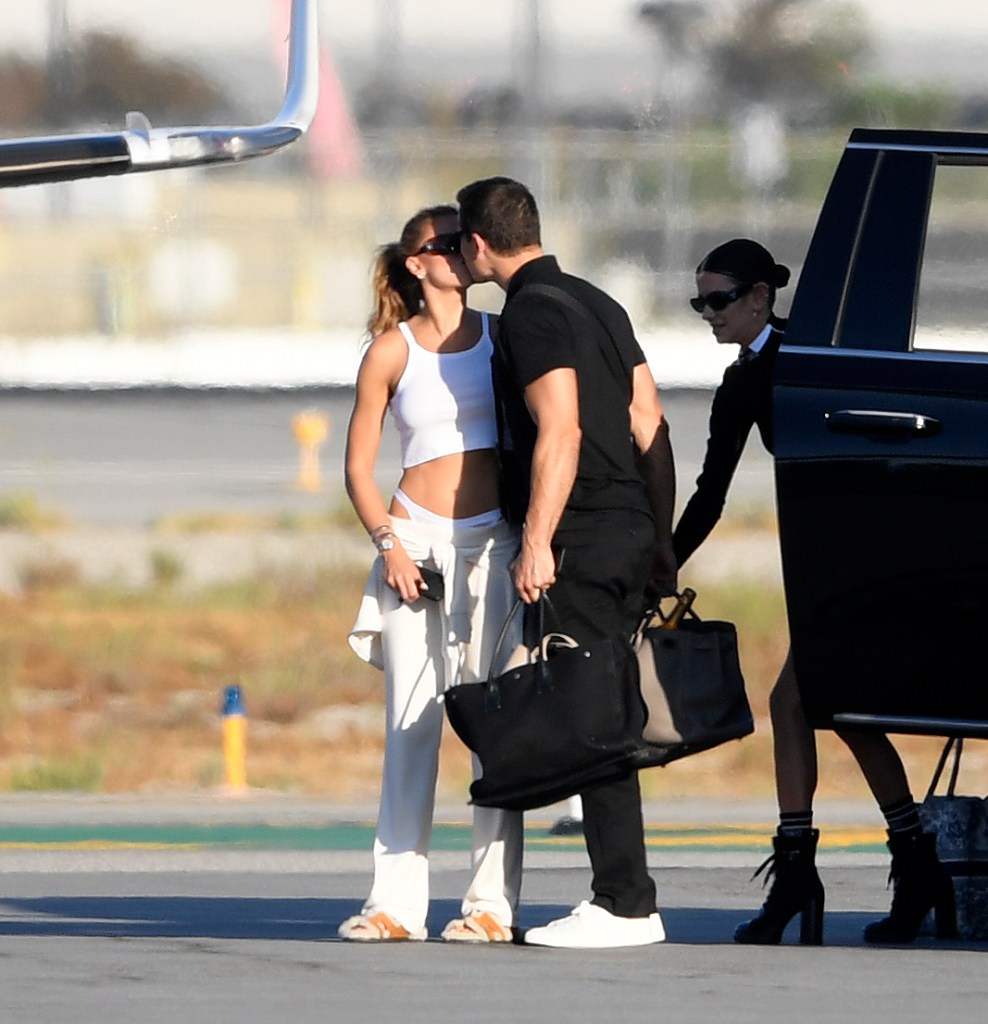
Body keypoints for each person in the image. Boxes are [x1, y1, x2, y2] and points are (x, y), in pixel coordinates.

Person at [675, 238, 955, 945]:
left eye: (719, 300)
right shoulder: (745, 381)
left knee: (801, 702)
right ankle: (911, 860)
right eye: (699, 302)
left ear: (761, 298)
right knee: (837, 709)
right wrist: (662, 562)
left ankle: (813, 871)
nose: (708, 314)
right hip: (835, 561)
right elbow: (710, 492)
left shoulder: (807, 362)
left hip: (871, 554)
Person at [456, 176, 678, 949]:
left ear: (479, 245)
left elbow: (561, 430)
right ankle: (625, 895)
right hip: (628, 525)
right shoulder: (598, 302)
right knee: (607, 705)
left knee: (592, 716)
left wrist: (541, 537)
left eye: (461, 243)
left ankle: (624, 902)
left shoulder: (532, 314)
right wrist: (661, 536)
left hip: (581, 529)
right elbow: (649, 420)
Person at [340, 204, 523, 943]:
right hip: (412, 540)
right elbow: (356, 466)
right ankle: (394, 903)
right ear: (417, 264)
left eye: (462, 242)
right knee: (412, 724)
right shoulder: (391, 350)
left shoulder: (503, 338)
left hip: (495, 546)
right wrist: (387, 543)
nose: (459, 253)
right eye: (444, 245)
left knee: (497, 731)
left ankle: (490, 906)